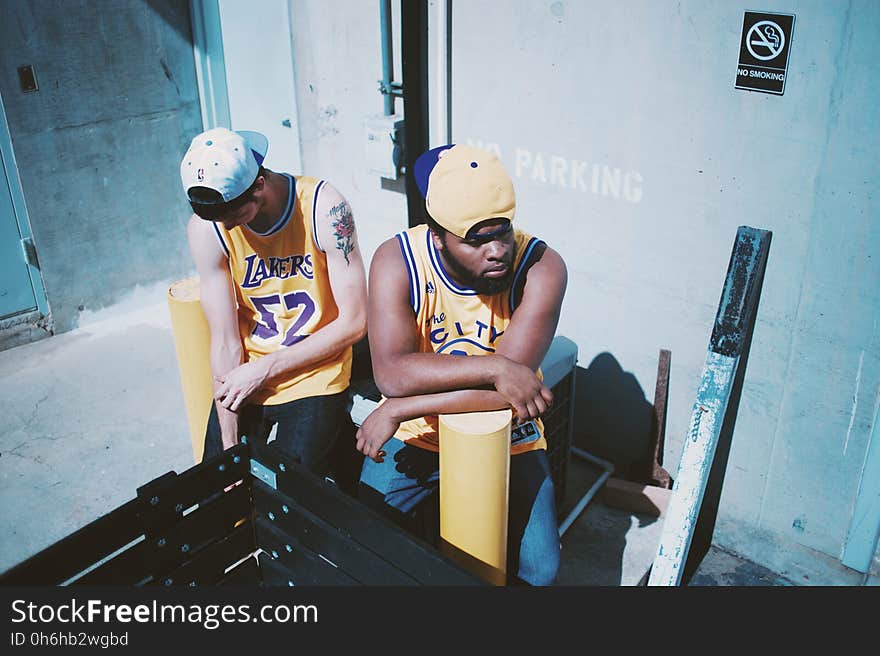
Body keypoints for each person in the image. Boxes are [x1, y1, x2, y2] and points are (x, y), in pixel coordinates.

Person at [356, 143, 568, 585]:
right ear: (438, 235)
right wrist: (494, 368)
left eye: (503, 232)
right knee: (371, 547)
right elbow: (392, 374)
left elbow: (507, 395)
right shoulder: (397, 260)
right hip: (419, 437)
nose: (497, 251)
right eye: (477, 240)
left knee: (540, 572)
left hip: (507, 430)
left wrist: (399, 408)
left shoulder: (542, 267)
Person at [179, 127, 367, 480]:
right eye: (216, 218)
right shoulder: (209, 227)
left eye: (234, 215)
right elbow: (224, 339)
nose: (227, 227)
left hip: (316, 370)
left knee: (284, 493)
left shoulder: (325, 208)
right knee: (215, 483)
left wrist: (266, 369)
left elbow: (355, 321)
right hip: (247, 369)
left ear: (260, 184)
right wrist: (230, 443)